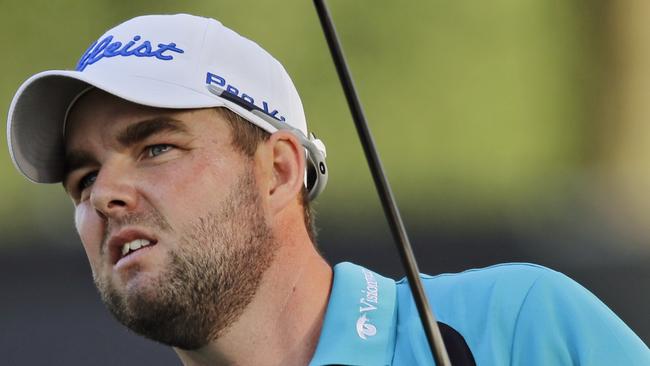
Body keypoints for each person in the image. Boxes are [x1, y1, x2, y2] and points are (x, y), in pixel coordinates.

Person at [7, 13, 649, 366]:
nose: (103, 196)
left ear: (279, 170)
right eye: (83, 178)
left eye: (156, 147)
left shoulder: (514, 325)